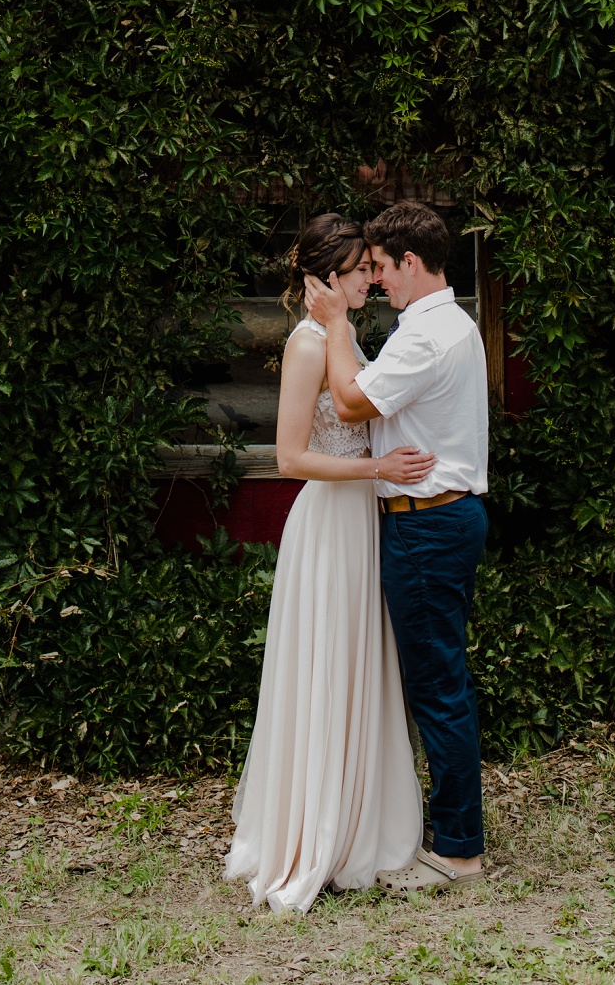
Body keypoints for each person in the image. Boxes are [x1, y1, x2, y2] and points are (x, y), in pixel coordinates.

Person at [224, 212, 430, 913]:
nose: (371, 277)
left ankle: (358, 820)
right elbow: (288, 458)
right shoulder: (309, 344)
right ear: (326, 280)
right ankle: (317, 830)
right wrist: (377, 465)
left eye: (371, 269)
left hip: (360, 523)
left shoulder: (344, 337)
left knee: (359, 663)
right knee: (326, 665)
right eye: (357, 271)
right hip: (328, 522)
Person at [304, 201, 490, 891]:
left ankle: (460, 850)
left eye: (380, 266)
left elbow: (351, 404)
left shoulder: (424, 337)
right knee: (442, 680)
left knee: (438, 687)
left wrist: (334, 324)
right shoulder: (451, 324)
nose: (375, 278)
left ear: (410, 261)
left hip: (427, 522)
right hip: (445, 516)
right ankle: (450, 831)